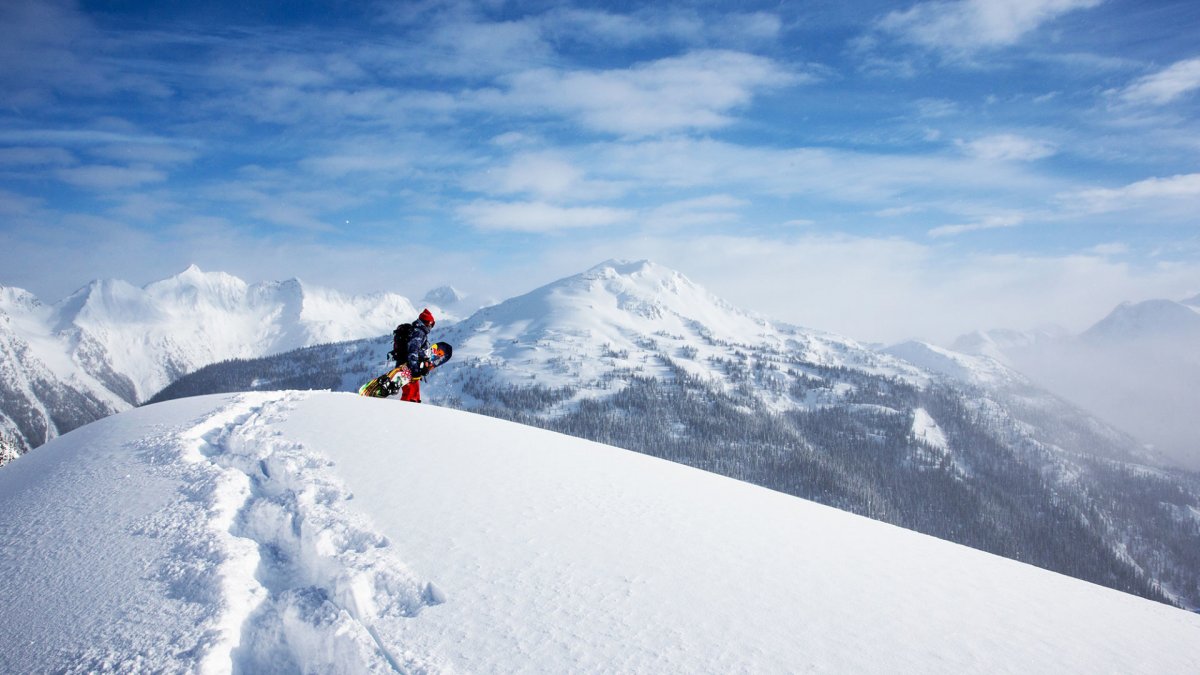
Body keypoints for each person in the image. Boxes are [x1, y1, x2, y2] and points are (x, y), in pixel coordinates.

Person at [396, 308, 436, 403]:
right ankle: (403, 413)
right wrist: (415, 369)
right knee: (410, 394)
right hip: (407, 367)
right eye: (432, 324)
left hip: (408, 366)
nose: (431, 327)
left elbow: (418, 351)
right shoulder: (419, 333)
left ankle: (413, 413)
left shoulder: (418, 331)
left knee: (414, 395)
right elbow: (413, 351)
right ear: (428, 323)